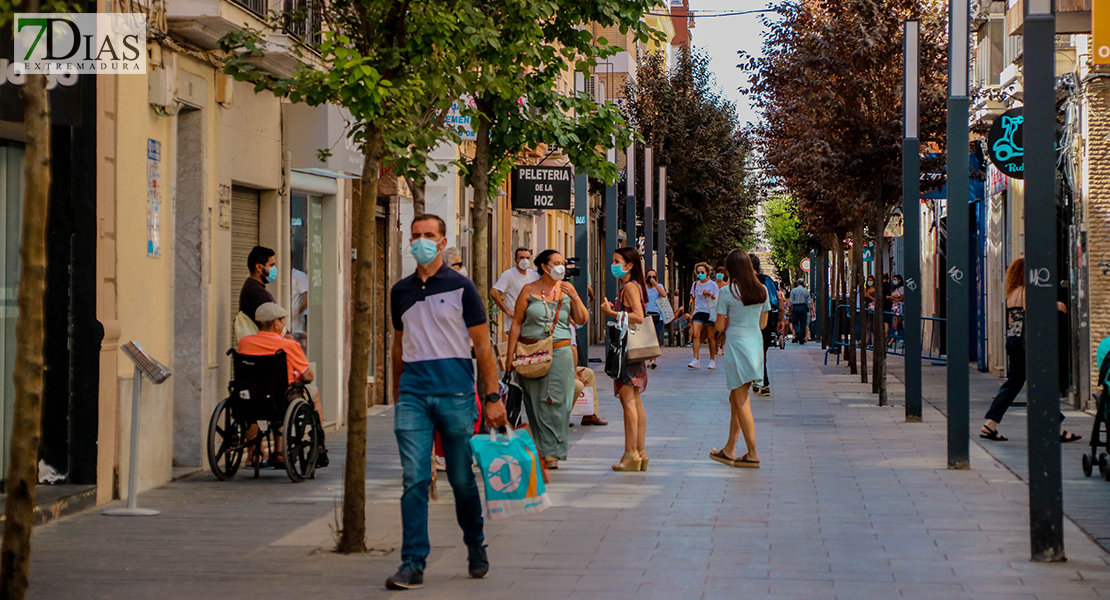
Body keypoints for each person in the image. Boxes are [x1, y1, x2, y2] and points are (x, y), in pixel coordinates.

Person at [386, 214, 507, 590]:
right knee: (414, 480)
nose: (421, 241)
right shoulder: (400, 291)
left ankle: (475, 545)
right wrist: (397, 394)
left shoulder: (462, 288)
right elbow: (397, 345)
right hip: (414, 396)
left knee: (460, 480)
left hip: (456, 394)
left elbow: (484, 347)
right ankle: (412, 563)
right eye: (416, 235)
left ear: (442, 242)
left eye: (429, 236)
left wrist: (491, 397)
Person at [980, 258, 1081, 444]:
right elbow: (1035, 311)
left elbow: (1014, 320)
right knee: (1041, 382)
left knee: (1014, 384)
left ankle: (990, 424)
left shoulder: (1011, 294)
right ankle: (1055, 428)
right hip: (1026, 343)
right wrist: (1055, 305)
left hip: (1013, 340)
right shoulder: (1027, 291)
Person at [506, 249, 589, 470]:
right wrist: (509, 356)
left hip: (560, 352)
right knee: (536, 402)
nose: (561, 267)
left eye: (563, 263)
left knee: (559, 402)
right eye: (556, 262)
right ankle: (543, 449)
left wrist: (574, 295)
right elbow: (516, 324)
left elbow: (581, 319)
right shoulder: (528, 290)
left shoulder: (566, 291)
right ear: (544, 266)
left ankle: (553, 451)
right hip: (532, 351)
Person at [236, 302, 327, 468]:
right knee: (314, 393)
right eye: (283, 321)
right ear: (275, 323)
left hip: (251, 399)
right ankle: (318, 443)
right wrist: (298, 376)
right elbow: (309, 375)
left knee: (259, 401)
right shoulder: (288, 345)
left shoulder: (244, 342)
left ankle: (256, 453)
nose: (284, 324)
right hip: (280, 399)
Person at [709, 249, 770, 469]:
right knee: (736, 397)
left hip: (735, 343)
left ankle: (752, 452)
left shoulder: (727, 292)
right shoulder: (762, 290)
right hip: (755, 343)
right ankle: (729, 448)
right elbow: (763, 324)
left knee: (741, 399)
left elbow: (717, 326)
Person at [600, 247, 650, 472]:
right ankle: (640, 452)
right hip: (634, 350)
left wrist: (611, 314)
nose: (614, 265)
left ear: (629, 265)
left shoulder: (629, 287)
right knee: (635, 402)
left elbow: (638, 316)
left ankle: (631, 453)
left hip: (627, 350)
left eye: (617, 261)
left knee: (628, 401)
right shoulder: (634, 286)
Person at [491, 247, 539, 335]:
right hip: (514, 323)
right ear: (516, 260)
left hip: (532, 323)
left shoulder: (535, 275)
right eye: (521, 258)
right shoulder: (508, 275)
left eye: (527, 258)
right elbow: (494, 292)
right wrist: (507, 311)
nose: (525, 260)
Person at [750, 254, 778, 396]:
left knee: (757, 353)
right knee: (762, 352)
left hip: (753, 321)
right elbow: (776, 300)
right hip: (767, 319)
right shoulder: (767, 280)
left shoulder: (744, 283)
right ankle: (761, 382)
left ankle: (760, 381)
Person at [571, 332, 606, 426]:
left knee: (588, 373)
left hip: (568, 367)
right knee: (578, 384)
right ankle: (562, 416)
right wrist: (573, 372)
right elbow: (572, 349)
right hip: (557, 368)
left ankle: (589, 413)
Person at [688, 262, 719, 369]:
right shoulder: (695, 284)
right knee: (696, 334)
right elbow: (693, 299)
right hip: (698, 311)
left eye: (702, 272)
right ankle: (695, 359)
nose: (700, 274)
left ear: (707, 273)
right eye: (698, 272)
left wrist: (709, 294)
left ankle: (712, 359)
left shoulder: (712, 285)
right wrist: (692, 313)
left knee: (711, 337)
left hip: (710, 312)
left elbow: (717, 298)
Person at [239, 246, 277, 330]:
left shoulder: (256, 288)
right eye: (271, 265)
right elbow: (271, 323)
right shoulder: (255, 292)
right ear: (259, 267)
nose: (274, 269)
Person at [644, 268, 667, 368]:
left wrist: (656, 284)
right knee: (647, 338)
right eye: (649, 276)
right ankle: (647, 357)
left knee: (655, 338)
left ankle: (653, 360)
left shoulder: (659, 286)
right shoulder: (643, 287)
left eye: (654, 276)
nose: (651, 278)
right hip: (646, 315)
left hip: (658, 316)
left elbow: (664, 295)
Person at [789, 279, 811, 344]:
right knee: (803, 323)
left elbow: (791, 301)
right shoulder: (806, 291)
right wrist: (810, 310)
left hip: (796, 307)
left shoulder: (793, 290)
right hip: (804, 307)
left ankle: (798, 332)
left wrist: (790, 309)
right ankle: (801, 338)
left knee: (795, 322)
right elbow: (809, 302)